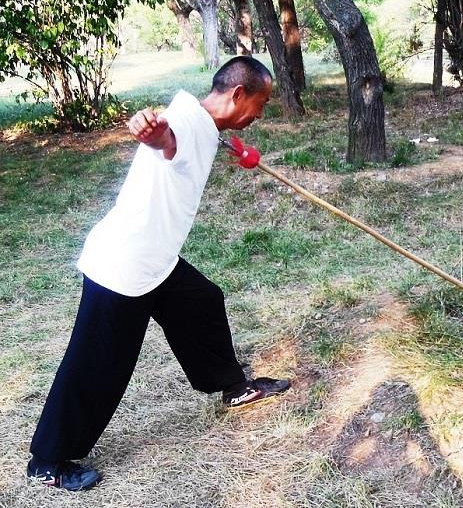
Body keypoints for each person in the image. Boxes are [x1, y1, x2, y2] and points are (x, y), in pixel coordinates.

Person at [26, 56, 290, 492]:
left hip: (157, 260)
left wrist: (238, 149)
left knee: (202, 301)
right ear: (237, 94)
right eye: (259, 105)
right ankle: (48, 461)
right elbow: (167, 139)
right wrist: (153, 132)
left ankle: (232, 386)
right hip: (124, 265)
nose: (259, 115)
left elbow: (196, 138)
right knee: (99, 364)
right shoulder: (182, 122)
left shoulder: (204, 122)